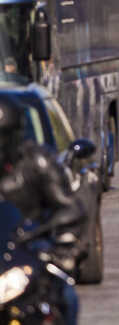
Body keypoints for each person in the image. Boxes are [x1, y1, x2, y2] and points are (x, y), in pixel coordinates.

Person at [0, 96, 86, 323]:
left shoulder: (38, 162)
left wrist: (57, 245)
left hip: (28, 255)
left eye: (3, 137)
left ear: (14, 136)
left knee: (58, 301)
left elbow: (69, 208)